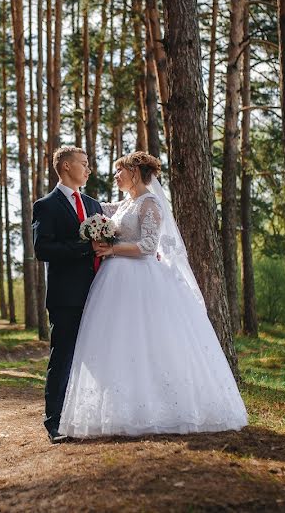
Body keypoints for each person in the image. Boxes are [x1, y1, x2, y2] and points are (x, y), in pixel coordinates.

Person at [58, 151, 248, 438]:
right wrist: (72, 193)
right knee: (121, 343)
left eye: (120, 171)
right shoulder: (126, 203)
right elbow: (96, 210)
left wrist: (111, 249)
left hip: (142, 280)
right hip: (116, 281)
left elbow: (148, 246)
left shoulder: (150, 203)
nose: (115, 176)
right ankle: (124, 407)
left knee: (150, 342)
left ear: (134, 172)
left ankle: (163, 408)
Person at [32, 146, 102, 444]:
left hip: (100, 293)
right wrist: (84, 248)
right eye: (83, 164)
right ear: (65, 167)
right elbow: (42, 249)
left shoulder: (93, 204)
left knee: (99, 356)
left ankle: (94, 415)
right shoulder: (45, 205)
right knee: (63, 358)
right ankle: (55, 422)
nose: (88, 170)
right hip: (66, 296)